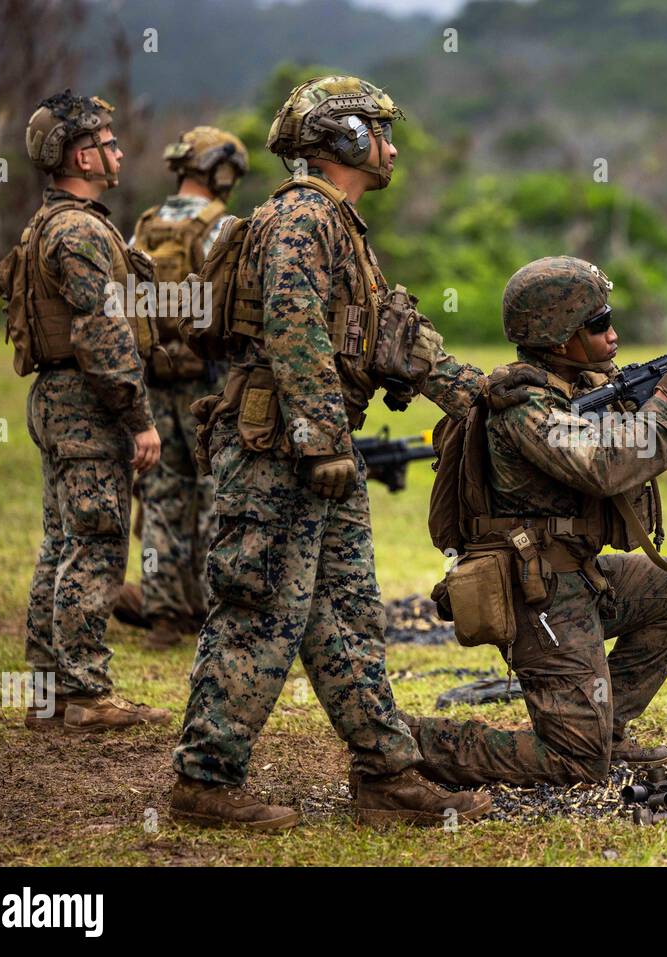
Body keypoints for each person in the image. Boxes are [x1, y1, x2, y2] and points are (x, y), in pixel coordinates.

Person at [168, 76, 542, 830]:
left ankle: (386, 776)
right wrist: (320, 438)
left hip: (314, 452)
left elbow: (392, 337)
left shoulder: (343, 229)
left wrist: (479, 390)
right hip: (279, 449)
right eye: (379, 128)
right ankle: (204, 779)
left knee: (347, 615)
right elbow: (293, 328)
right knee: (260, 607)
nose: (393, 144)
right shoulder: (302, 218)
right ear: (340, 137)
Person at [404, 256, 667, 785]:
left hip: (576, 577)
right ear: (558, 338)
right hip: (531, 594)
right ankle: (407, 741)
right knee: (576, 764)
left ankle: (606, 729)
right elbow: (603, 466)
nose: (612, 332)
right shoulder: (525, 405)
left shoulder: (587, 385)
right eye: (596, 324)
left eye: (609, 317)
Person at [5, 90, 170, 732]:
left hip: (60, 399)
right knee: (96, 544)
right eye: (107, 141)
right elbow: (102, 331)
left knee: (62, 543)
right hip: (85, 403)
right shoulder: (77, 229)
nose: (118, 150)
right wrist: (139, 418)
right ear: (82, 153)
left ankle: (49, 697)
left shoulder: (54, 222)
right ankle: (85, 694)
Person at [119, 127, 249, 649]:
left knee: (159, 493)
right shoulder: (221, 227)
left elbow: (126, 301)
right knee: (213, 493)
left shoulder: (145, 226)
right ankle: (203, 604)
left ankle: (163, 611)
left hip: (153, 381)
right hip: (207, 384)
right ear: (219, 171)